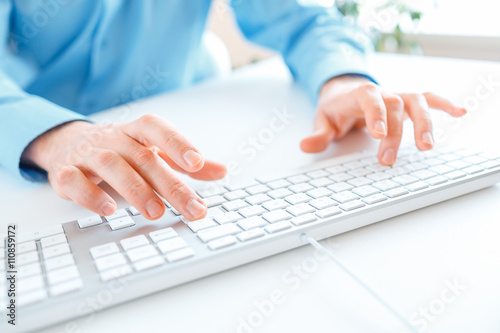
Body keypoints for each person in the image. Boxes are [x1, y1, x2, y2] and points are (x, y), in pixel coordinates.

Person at [0, 1, 465, 222]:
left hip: (185, 135)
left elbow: (305, 22)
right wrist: (54, 135)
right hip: (29, 166)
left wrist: (341, 80)